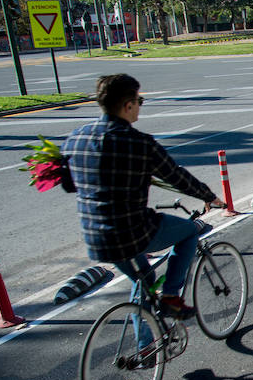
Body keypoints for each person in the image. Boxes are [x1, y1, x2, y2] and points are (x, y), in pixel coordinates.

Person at [62, 74, 225, 319]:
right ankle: (171, 296)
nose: (140, 105)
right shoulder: (140, 143)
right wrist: (209, 196)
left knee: (145, 281)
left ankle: (145, 350)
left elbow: (68, 184)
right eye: (139, 100)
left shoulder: (76, 138)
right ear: (128, 105)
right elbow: (177, 177)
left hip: (96, 237)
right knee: (189, 231)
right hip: (133, 232)